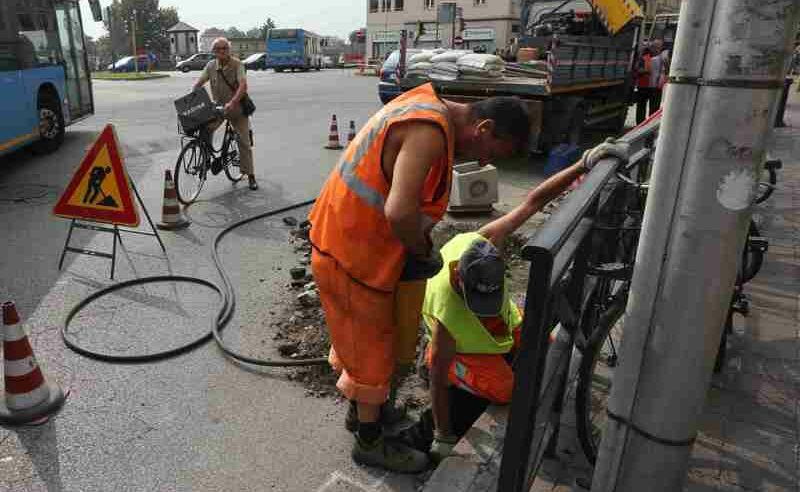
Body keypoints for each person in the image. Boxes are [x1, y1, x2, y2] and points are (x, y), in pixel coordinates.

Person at [309, 83, 531, 473]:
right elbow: (397, 212)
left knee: (365, 343)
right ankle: (370, 442)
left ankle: (364, 413)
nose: (482, 163)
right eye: (490, 153)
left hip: (353, 241)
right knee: (373, 349)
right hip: (352, 250)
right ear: (483, 128)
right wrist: (420, 250)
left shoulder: (424, 104)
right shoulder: (428, 131)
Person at [401, 139, 631, 461]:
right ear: (461, 287)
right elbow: (437, 382)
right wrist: (442, 434)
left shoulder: (479, 242)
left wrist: (583, 164)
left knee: (547, 349)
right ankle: (462, 371)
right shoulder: (447, 315)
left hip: (498, 330)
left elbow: (533, 202)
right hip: (461, 353)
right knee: (507, 390)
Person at [192, 37, 258, 190]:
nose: (222, 51)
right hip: (218, 109)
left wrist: (233, 102)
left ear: (229, 50)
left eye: (225, 48)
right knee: (205, 129)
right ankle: (206, 159)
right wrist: (192, 97)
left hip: (236, 108)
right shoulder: (210, 66)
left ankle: (251, 175)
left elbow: (243, 85)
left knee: (243, 142)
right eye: (218, 49)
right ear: (214, 51)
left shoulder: (237, 64)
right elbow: (199, 83)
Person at [635, 43, 654, 124]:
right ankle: (646, 124)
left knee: (641, 106)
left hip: (643, 85)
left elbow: (645, 70)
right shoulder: (649, 58)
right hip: (649, 85)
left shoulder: (645, 58)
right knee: (649, 107)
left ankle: (640, 123)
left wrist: (638, 71)